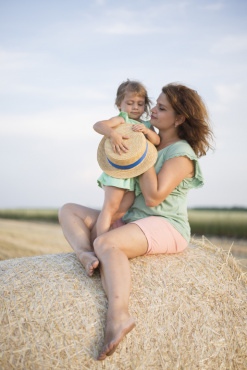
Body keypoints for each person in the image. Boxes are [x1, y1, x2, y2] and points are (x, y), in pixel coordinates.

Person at [58, 82, 214, 361]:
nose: (152, 110)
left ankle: (119, 317)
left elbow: (153, 197)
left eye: (161, 108)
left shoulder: (181, 154)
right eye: (155, 104)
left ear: (179, 119)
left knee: (107, 242)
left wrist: (141, 156)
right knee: (68, 210)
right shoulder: (146, 137)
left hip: (165, 224)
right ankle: (84, 253)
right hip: (133, 221)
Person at [93, 80, 160, 237]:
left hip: (134, 174)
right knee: (111, 206)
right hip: (117, 171)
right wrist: (113, 133)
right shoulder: (121, 119)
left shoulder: (146, 125)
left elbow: (157, 141)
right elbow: (98, 125)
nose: (136, 107)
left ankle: (102, 235)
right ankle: (100, 242)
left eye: (140, 103)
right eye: (130, 103)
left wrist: (147, 131)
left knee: (122, 209)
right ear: (119, 104)